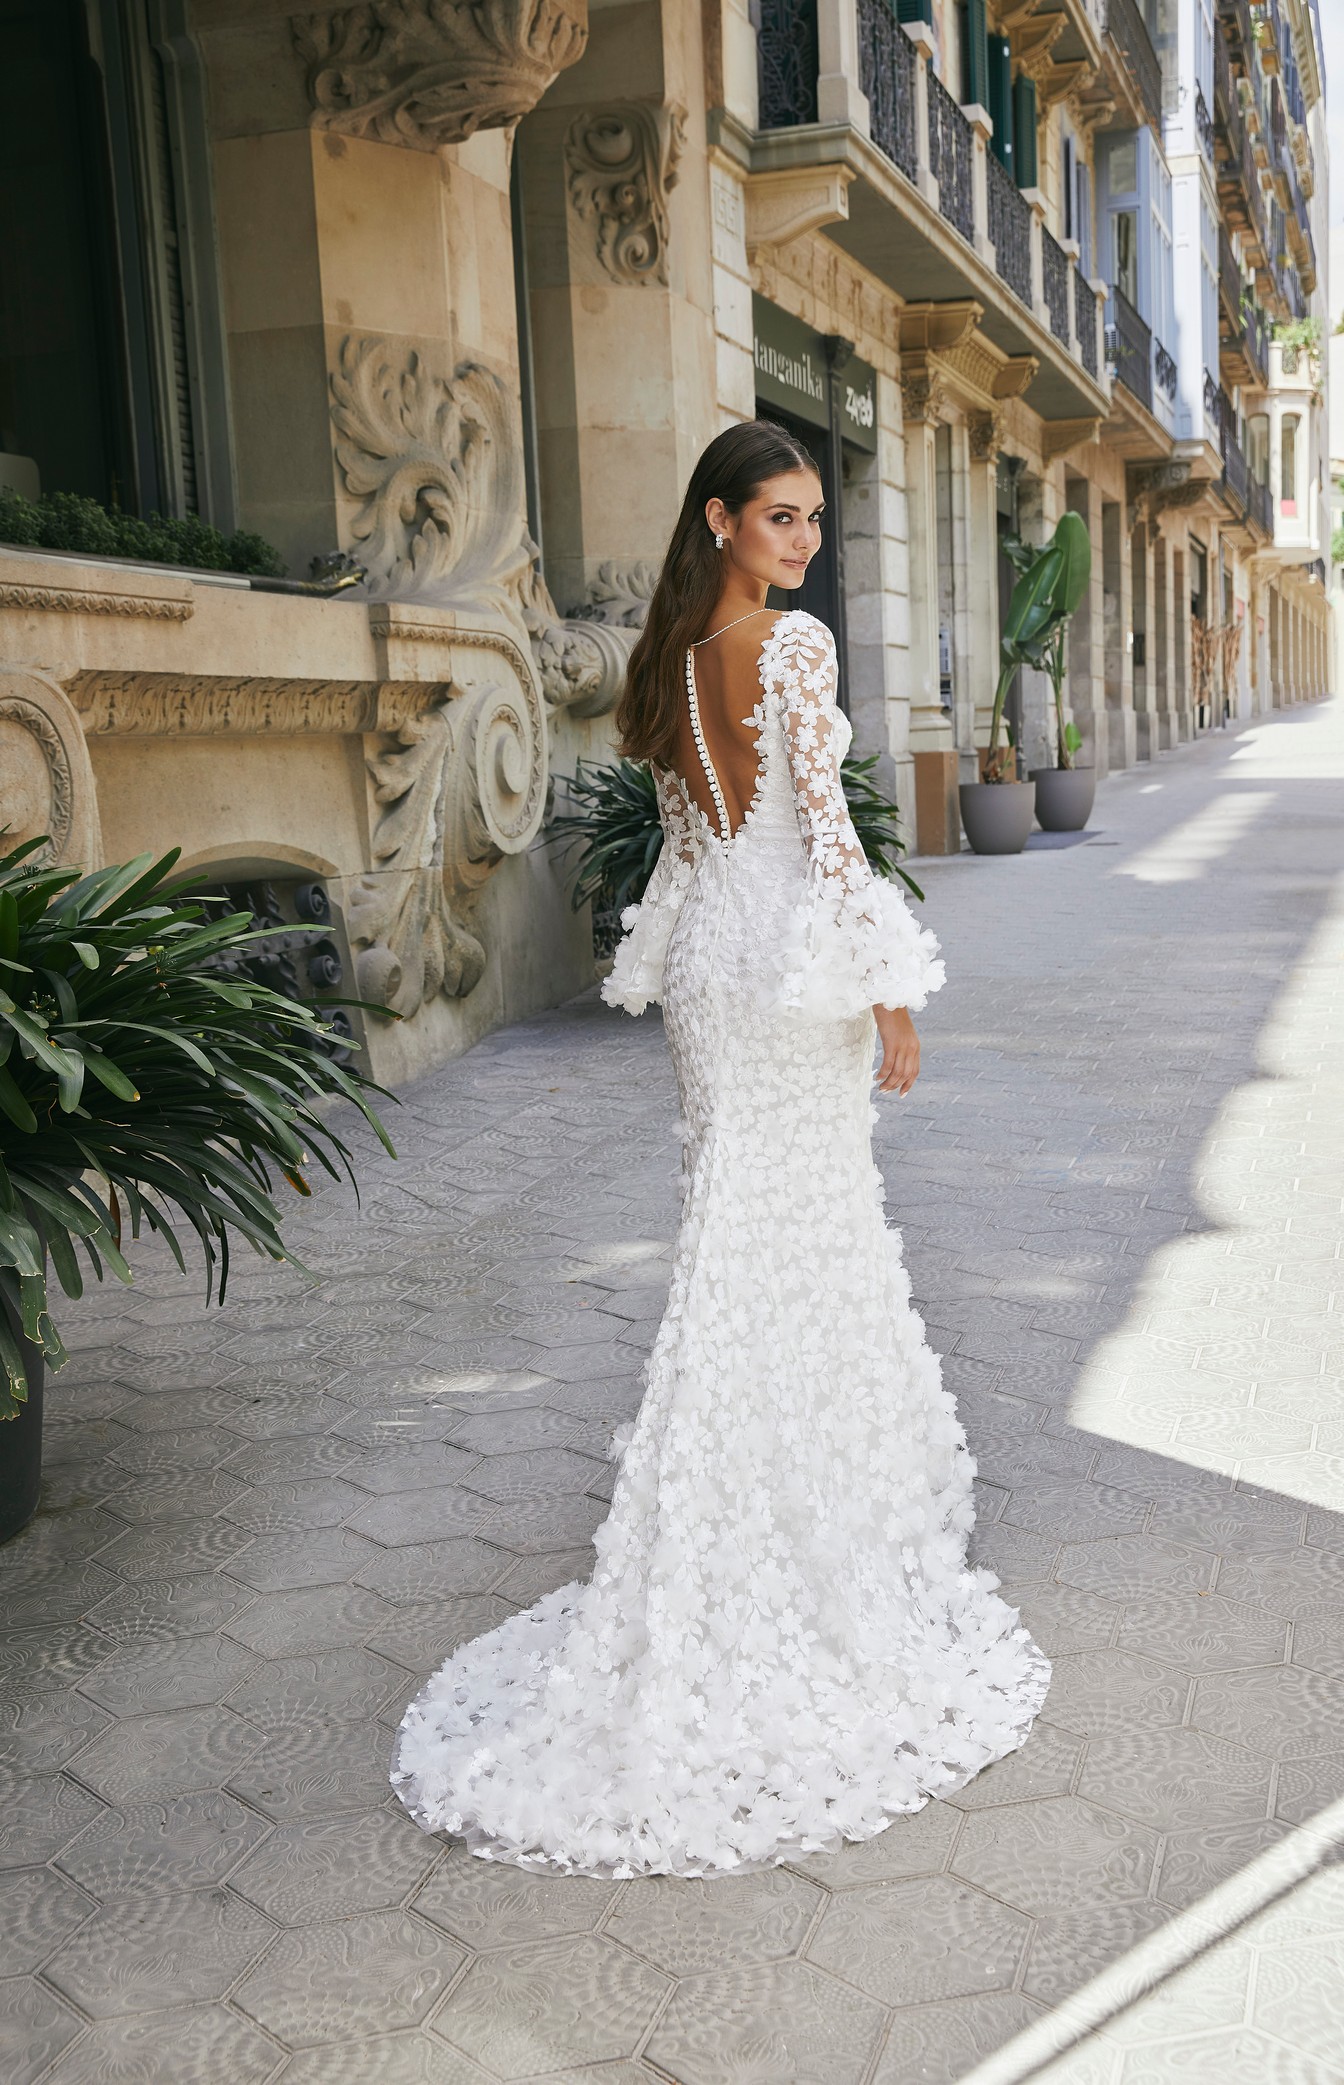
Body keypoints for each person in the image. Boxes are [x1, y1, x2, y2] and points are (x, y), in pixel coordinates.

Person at [391, 420, 1049, 1876]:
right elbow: (828, 838)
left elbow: (689, 850)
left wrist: (703, 971)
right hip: (786, 976)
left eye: (814, 519)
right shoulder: (792, 651)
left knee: (737, 1247)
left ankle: (725, 1531)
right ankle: (794, 1549)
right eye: (782, 517)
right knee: (796, 1242)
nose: (805, 541)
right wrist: (887, 979)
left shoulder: (674, 660)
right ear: (718, 519)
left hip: (712, 979)